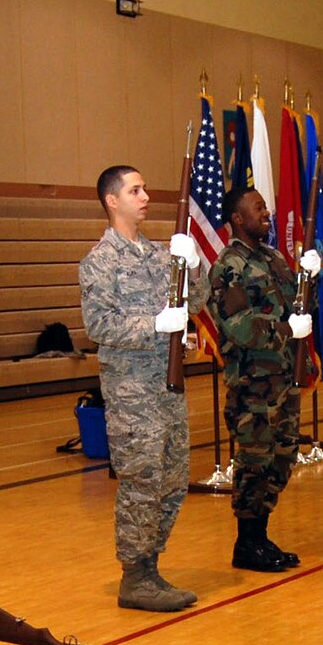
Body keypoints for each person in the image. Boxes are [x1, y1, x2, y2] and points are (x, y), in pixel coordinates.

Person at [78, 164, 205, 610]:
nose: (145, 196)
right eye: (135, 190)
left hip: (168, 388)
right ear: (112, 201)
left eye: (146, 188)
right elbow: (99, 324)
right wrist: (154, 325)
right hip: (132, 392)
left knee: (173, 481)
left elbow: (200, 299)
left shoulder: (157, 255)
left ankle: (151, 566)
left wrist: (193, 265)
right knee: (142, 482)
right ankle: (134, 576)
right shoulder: (101, 260)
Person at [206, 188, 313, 571]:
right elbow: (238, 327)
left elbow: (299, 307)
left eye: (266, 207)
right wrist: (286, 329)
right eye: (258, 208)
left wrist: (309, 279)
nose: (266, 213)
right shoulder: (229, 266)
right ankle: (246, 543)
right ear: (237, 218)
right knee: (254, 462)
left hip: (283, 378)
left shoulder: (273, 259)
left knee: (280, 460)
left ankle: (261, 537)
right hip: (253, 384)